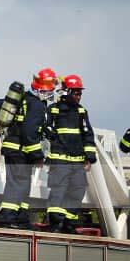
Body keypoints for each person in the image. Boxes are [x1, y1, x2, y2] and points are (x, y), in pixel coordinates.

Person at [0, 68, 55, 229]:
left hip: (15, 149)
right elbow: (29, 131)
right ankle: (8, 218)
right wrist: (38, 155)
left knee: (23, 184)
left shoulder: (22, 99)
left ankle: (21, 219)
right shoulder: (37, 105)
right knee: (17, 184)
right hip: (20, 150)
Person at [43, 74, 97, 233]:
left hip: (78, 162)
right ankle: (55, 225)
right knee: (58, 192)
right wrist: (51, 135)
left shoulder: (81, 111)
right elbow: (45, 127)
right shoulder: (53, 109)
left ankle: (68, 224)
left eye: (80, 93)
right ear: (66, 92)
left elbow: (88, 134)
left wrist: (89, 158)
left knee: (78, 192)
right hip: (60, 161)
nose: (79, 96)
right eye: (76, 93)